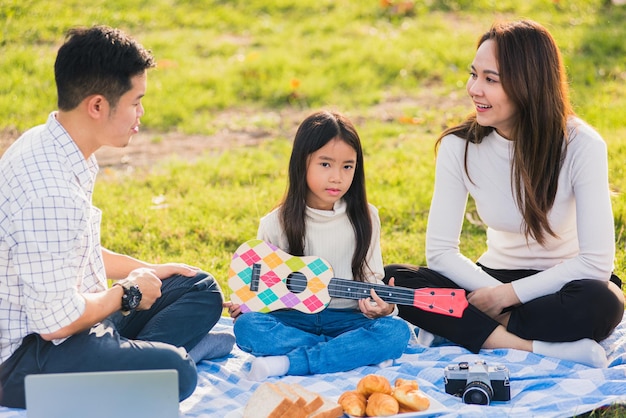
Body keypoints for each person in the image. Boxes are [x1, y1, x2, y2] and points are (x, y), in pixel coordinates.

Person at [0, 25, 233, 409]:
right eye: (136, 101)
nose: (141, 113)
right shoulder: (50, 191)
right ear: (97, 106)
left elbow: (74, 251)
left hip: (77, 320)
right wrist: (129, 293)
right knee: (177, 374)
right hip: (26, 358)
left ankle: (132, 357)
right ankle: (152, 358)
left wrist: (152, 269)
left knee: (198, 287)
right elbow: (55, 323)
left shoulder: (54, 143)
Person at [384, 19, 625, 368]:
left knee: (603, 302)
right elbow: (440, 253)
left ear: (528, 85)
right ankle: (537, 347)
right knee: (397, 282)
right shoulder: (459, 146)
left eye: (490, 79)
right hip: (488, 279)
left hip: (562, 287)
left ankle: (466, 329)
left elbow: (596, 262)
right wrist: (493, 293)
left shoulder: (582, 146)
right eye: (473, 74)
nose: (473, 89)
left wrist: (508, 298)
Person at [225, 110, 411, 381]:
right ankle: (349, 355)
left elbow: (372, 278)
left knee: (396, 333)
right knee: (248, 328)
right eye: (325, 165)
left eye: (347, 166)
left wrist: (384, 307)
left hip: (348, 319)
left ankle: (289, 363)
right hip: (294, 320)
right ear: (302, 163)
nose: (337, 177)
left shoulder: (367, 217)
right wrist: (249, 302)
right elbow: (263, 283)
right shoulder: (275, 223)